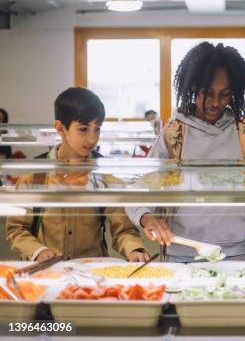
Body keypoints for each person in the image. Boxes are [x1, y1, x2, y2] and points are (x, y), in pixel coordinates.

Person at [127, 42, 245, 262]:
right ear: (192, 88)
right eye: (207, 93)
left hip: (237, 254)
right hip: (181, 253)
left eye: (225, 95)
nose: (215, 103)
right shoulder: (173, 136)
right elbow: (139, 192)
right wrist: (147, 218)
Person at [6, 87, 149, 262]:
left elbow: (124, 230)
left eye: (97, 129)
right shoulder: (35, 175)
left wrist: (134, 249)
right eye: (83, 129)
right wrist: (38, 251)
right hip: (49, 273)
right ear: (60, 128)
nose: (92, 139)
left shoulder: (105, 176)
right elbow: (17, 229)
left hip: (93, 273)